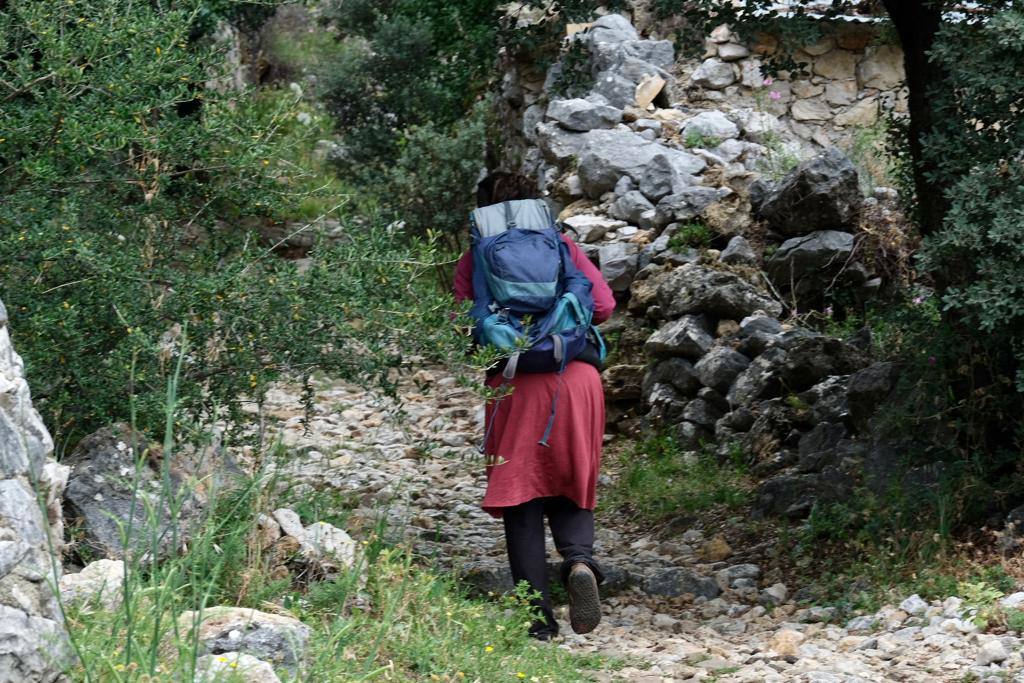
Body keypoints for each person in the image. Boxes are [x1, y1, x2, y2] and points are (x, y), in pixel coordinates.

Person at [453, 172, 616, 640]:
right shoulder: (563, 246)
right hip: (576, 377)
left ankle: (539, 621)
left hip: (515, 383)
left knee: (521, 495)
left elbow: (462, 321)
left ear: (483, 212)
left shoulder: (475, 259)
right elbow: (602, 307)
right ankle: (579, 561)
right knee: (570, 477)